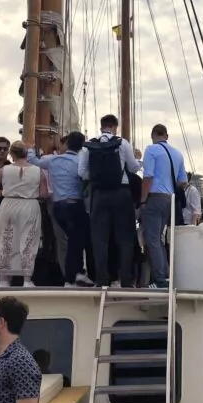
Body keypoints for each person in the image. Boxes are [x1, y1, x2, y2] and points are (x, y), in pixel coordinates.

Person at [79, 114, 142, 288]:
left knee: (100, 239)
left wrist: (97, 177)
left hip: (99, 194)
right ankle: (125, 279)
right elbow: (133, 168)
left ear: (101, 127)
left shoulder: (89, 146)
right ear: (115, 127)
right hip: (121, 193)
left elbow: (82, 172)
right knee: (125, 238)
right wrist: (138, 161)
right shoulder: (122, 143)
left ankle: (102, 279)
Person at [29, 132, 94, 286]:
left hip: (58, 206)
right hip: (75, 205)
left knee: (72, 240)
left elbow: (33, 161)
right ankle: (73, 276)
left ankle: (75, 274)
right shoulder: (80, 161)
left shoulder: (53, 160)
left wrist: (30, 148)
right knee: (77, 240)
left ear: (67, 144)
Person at [0, 141, 48, 287]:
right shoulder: (38, 171)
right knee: (28, 241)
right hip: (30, 205)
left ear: (11, 154)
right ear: (26, 153)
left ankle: (3, 279)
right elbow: (44, 194)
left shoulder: (5, 170)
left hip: (9, 204)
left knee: (6, 239)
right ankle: (27, 279)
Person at [140, 124, 189, 289]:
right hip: (169, 199)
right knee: (157, 238)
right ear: (166, 136)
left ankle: (160, 279)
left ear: (153, 136)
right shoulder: (177, 154)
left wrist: (142, 200)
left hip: (154, 197)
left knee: (151, 238)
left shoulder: (151, 150)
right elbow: (183, 182)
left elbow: (148, 176)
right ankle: (166, 275)